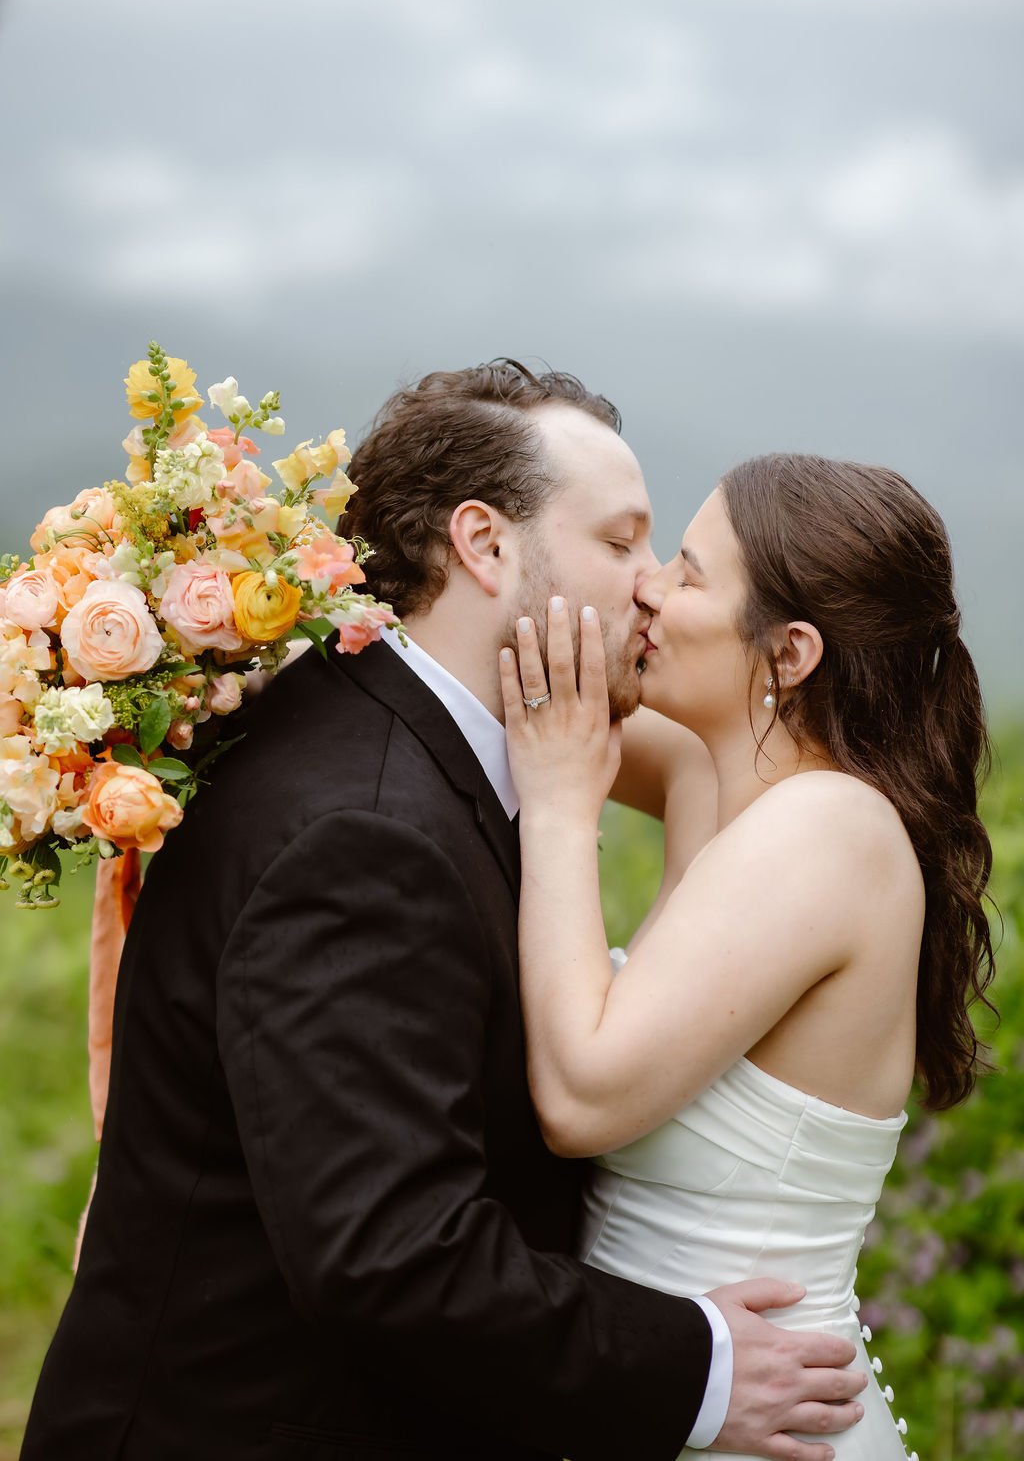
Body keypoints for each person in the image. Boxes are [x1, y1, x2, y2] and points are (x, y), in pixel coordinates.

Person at [21, 371, 868, 1461]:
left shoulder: (384, 720)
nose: (651, 587)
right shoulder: (366, 833)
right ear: (484, 545)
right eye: (620, 543)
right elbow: (390, 1252)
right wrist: (695, 1368)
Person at [500, 454, 995, 1461]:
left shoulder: (830, 830)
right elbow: (515, 691)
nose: (647, 586)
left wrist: (559, 809)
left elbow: (582, 1096)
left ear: (790, 650)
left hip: (761, 1426)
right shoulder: (714, 774)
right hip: (658, 1393)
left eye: (686, 573)